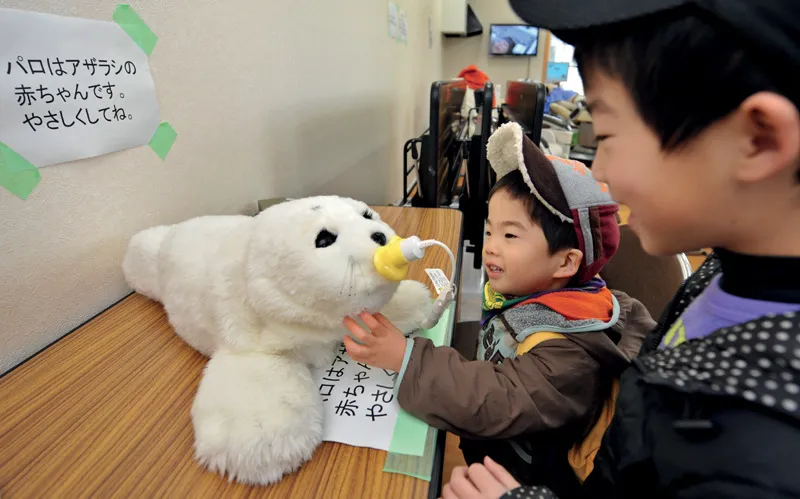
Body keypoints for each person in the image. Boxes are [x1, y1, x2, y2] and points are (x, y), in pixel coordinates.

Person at [443, 0, 800, 497]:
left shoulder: (762, 445)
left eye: (607, 133)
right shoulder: (725, 276)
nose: (602, 170)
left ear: (757, 140)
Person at [343, 121, 654, 498]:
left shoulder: (568, 349)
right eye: (489, 229)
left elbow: (498, 398)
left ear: (565, 263)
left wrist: (406, 358)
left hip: (522, 476)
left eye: (510, 235)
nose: (490, 246)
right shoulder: (538, 290)